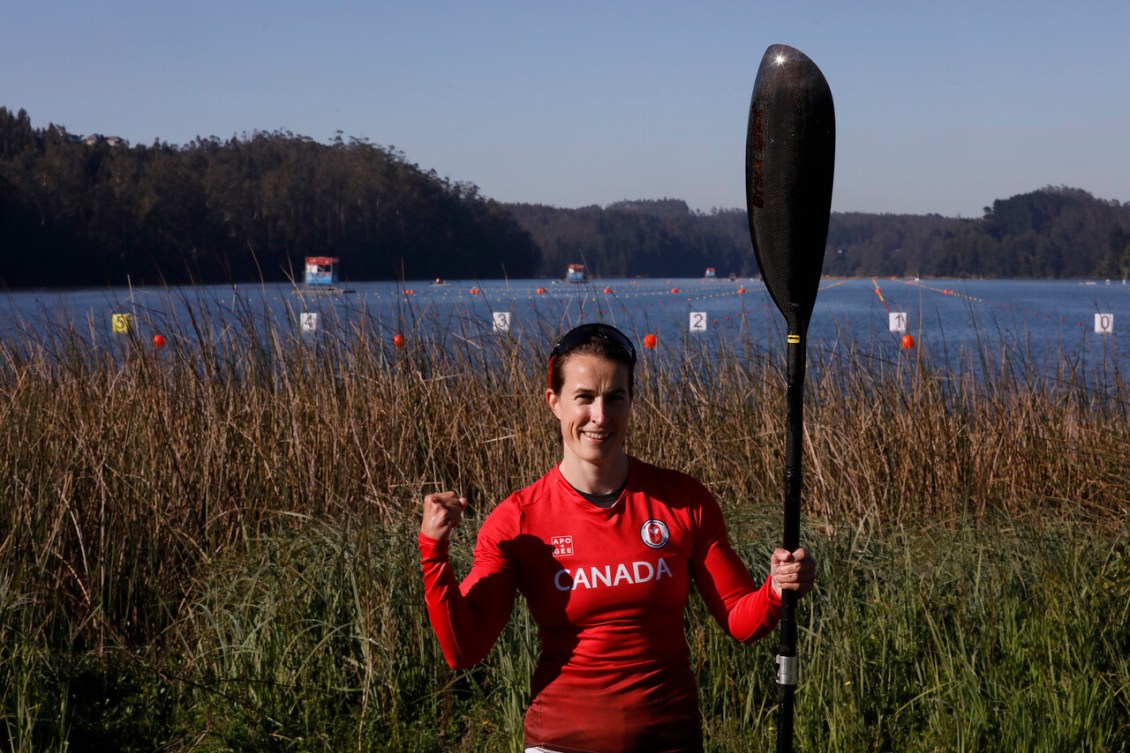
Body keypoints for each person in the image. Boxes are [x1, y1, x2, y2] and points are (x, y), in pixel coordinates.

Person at [420, 322, 816, 753]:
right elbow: (464, 649)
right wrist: (433, 550)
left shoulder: (683, 501)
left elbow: (741, 619)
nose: (600, 416)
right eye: (584, 397)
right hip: (560, 743)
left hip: (670, 738)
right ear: (553, 402)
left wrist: (777, 589)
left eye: (615, 398)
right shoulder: (518, 520)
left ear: (631, 402)